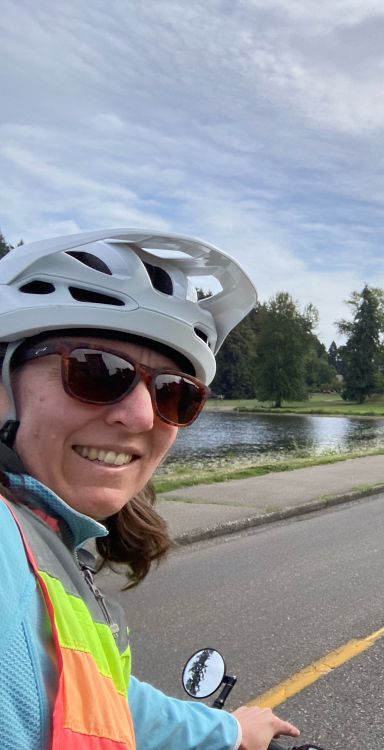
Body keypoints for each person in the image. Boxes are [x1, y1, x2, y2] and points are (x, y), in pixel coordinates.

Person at [0, 229, 299, 749]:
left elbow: (97, 696)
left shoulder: (48, 542)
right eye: (96, 370)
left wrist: (228, 732)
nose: (140, 415)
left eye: (173, 394)